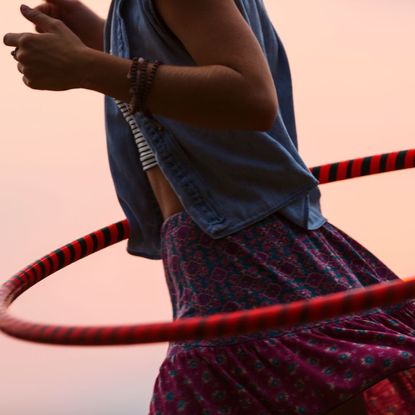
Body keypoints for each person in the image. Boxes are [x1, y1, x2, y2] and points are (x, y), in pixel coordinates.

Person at [4, 1, 415, 414]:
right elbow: (181, 82)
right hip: (226, 247)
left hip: (246, 253)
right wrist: (99, 39)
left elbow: (248, 95)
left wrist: (88, 68)